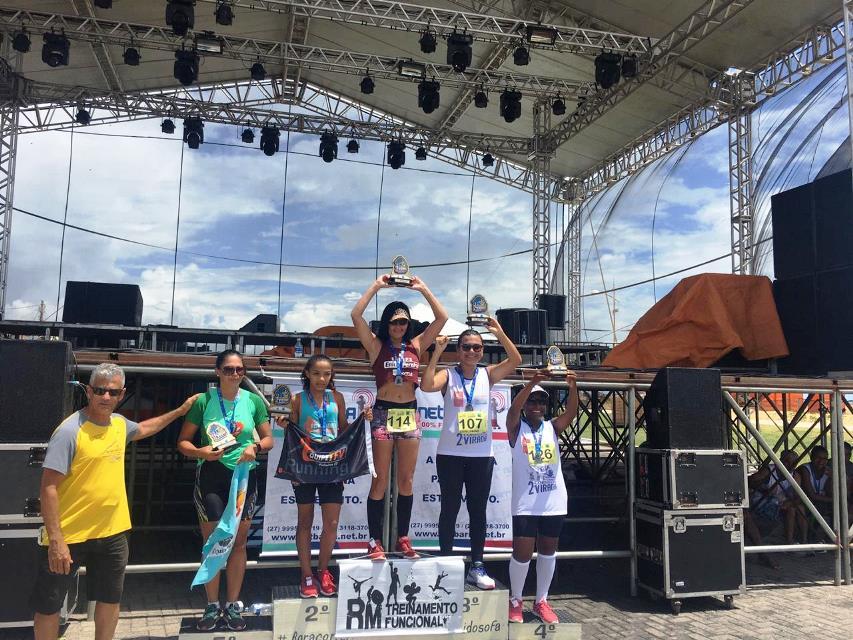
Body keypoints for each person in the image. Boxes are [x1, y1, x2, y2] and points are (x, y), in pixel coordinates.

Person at [31, 363, 198, 640]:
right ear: (88, 391)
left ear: (122, 394)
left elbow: (145, 428)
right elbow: (48, 487)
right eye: (99, 390)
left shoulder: (119, 425)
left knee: (109, 600)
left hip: (112, 533)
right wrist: (56, 539)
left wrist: (180, 412)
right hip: (68, 536)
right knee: (49, 605)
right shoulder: (70, 431)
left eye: (112, 392)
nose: (105, 397)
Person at [350, 274, 447, 559]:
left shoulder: (416, 345)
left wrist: (423, 288)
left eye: (403, 322)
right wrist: (378, 285)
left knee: (406, 480)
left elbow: (441, 318)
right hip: (383, 412)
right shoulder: (376, 346)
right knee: (379, 481)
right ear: (386, 324)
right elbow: (356, 314)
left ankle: (403, 538)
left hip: (409, 413)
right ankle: (374, 541)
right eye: (394, 322)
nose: (399, 326)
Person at [420, 319, 521, 589]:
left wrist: (499, 332)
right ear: (458, 349)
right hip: (450, 454)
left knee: (478, 510)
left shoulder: (487, 375)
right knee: (450, 509)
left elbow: (515, 359)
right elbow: (427, 385)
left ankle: (477, 566)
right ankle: (445, 563)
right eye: (466, 347)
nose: (472, 352)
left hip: (481, 455)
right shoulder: (449, 375)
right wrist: (437, 354)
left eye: (477, 347)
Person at [177, 350, 273, 631]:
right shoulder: (204, 401)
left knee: (238, 543)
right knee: (214, 542)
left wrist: (254, 447)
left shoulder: (253, 400)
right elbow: (182, 442)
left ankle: (231, 605)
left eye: (240, 370)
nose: (235, 374)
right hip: (211, 476)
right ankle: (211, 606)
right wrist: (201, 452)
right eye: (229, 369)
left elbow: (268, 440)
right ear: (217, 372)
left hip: (244, 477)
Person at [285, 354, 372, 598]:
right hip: (305, 467)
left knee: (331, 523)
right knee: (305, 522)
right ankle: (306, 574)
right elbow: (291, 432)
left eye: (326, 374)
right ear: (307, 374)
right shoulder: (297, 399)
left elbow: (343, 427)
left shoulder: (337, 398)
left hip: (332, 467)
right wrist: (283, 422)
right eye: (316, 373)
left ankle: (323, 570)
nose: (321, 378)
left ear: (332, 376)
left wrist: (360, 422)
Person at [505, 371, 578, 625]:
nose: (537, 406)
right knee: (522, 554)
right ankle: (515, 600)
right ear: (525, 405)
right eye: (533, 401)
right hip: (525, 503)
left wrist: (573, 386)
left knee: (548, 552)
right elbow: (512, 411)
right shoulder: (516, 427)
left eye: (541, 402)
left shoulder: (552, 427)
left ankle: (541, 601)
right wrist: (532, 383)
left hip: (552, 501)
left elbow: (571, 413)